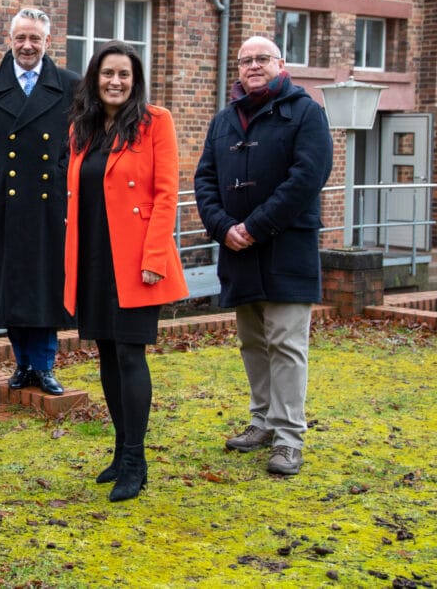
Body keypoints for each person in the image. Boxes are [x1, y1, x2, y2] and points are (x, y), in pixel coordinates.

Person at [193, 36, 333, 477]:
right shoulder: (223, 120)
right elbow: (205, 180)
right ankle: (262, 422)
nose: (254, 66)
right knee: (252, 341)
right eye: (246, 60)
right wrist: (222, 227)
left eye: (262, 59)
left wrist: (254, 226)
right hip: (237, 250)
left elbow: (308, 176)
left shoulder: (306, 112)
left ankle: (290, 437)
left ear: (281, 64)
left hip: (285, 247)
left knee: (287, 344)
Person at [63, 41, 189, 502]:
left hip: (136, 261)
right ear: (95, 78)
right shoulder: (84, 127)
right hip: (94, 257)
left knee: (131, 356)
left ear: (135, 82)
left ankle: (136, 461)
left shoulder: (156, 122)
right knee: (107, 356)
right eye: (108, 73)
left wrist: (155, 258)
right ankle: (119, 452)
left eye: (125, 75)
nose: (115, 82)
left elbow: (165, 193)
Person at [0, 8, 80, 396]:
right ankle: (22, 363)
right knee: (12, 284)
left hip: (51, 204)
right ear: (9, 40)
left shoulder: (71, 85)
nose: (27, 46)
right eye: (20, 38)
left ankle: (43, 366)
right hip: (6, 204)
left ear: (49, 41)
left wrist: (60, 174)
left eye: (35, 39)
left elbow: (82, 139)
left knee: (45, 284)